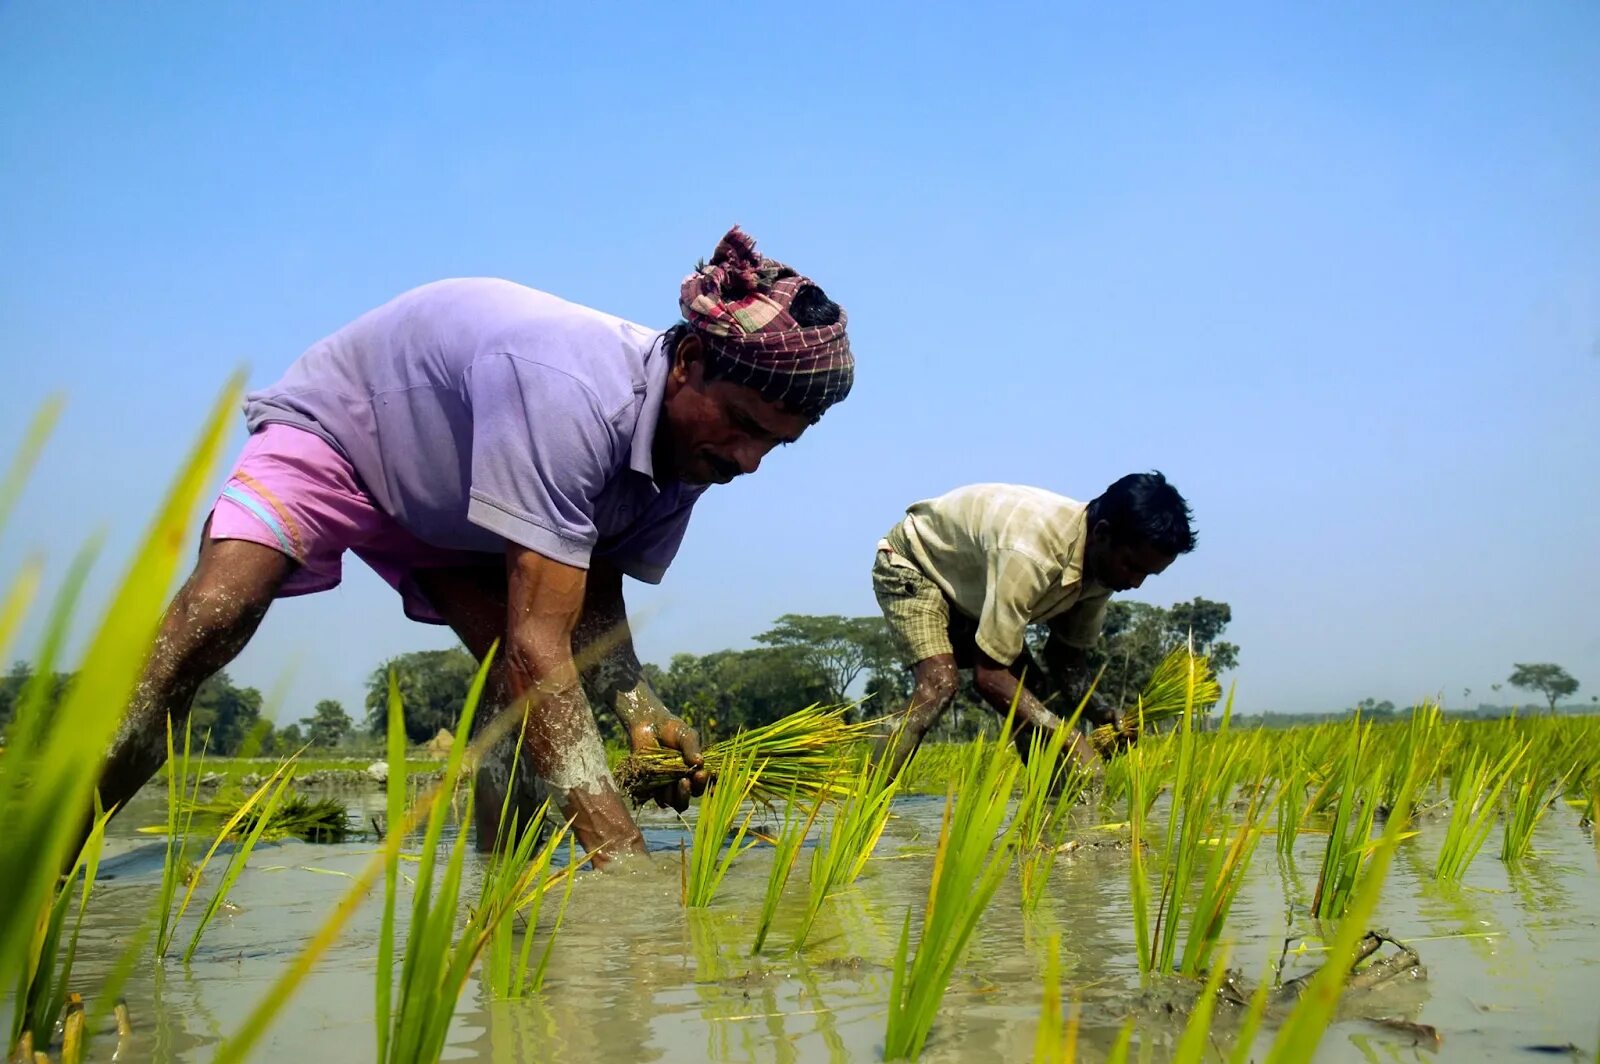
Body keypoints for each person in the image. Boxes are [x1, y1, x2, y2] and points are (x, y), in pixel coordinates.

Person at [95, 226, 853, 867]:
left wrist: (641, 713)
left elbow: (592, 599)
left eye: (773, 445)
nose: (748, 460)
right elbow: (541, 649)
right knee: (216, 612)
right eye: (742, 424)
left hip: (464, 507)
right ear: (687, 364)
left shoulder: (693, 456)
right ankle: (59, 837)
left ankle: (497, 888)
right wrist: (626, 866)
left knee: (517, 700)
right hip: (350, 433)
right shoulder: (573, 394)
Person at [870, 473, 1194, 776]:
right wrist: (1070, 740)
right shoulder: (1032, 553)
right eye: (1131, 566)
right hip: (914, 564)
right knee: (939, 684)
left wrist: (1102, 711)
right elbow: (990, 676)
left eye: (1147, 575)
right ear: (1102, 534)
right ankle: (862, 807)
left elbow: (1066, 659)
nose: (1135, 583)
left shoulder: (1102, 570)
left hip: (972, 589)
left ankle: (1051, 810)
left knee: (1036, 694)